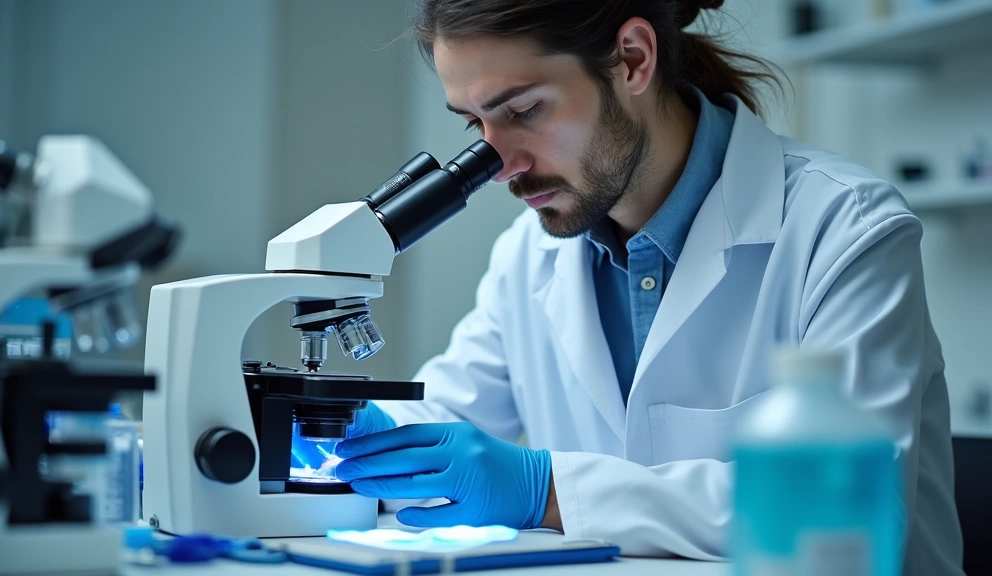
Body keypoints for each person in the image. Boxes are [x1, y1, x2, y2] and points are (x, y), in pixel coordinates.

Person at [332, 1, 964, 573]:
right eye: (476, 126)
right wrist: (337, 433)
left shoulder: (843, 227)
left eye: (524, 111)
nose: (505, 168)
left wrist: (545, 491)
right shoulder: (527, 258)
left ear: (632, 60)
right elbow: (448, 418)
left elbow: (843, 503)